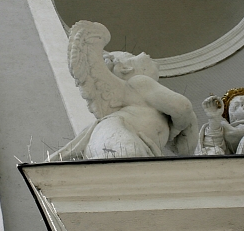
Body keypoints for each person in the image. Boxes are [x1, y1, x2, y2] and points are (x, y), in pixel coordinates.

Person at [50, 21, 198, 160]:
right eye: (131, 56)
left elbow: (184, 150)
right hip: (117, 133)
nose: (144, 54)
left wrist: (189, 120)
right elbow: (182, 107)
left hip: (116, 139)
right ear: (126, 69)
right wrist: (177, 128)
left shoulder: (157, 110)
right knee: (131, 159)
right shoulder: (139, 83)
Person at [197, 88, 244, 155]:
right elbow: (212, 149)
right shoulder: (227, 129)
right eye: (236, 106)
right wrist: (214, 119)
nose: (242, 103)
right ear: (233, 117)